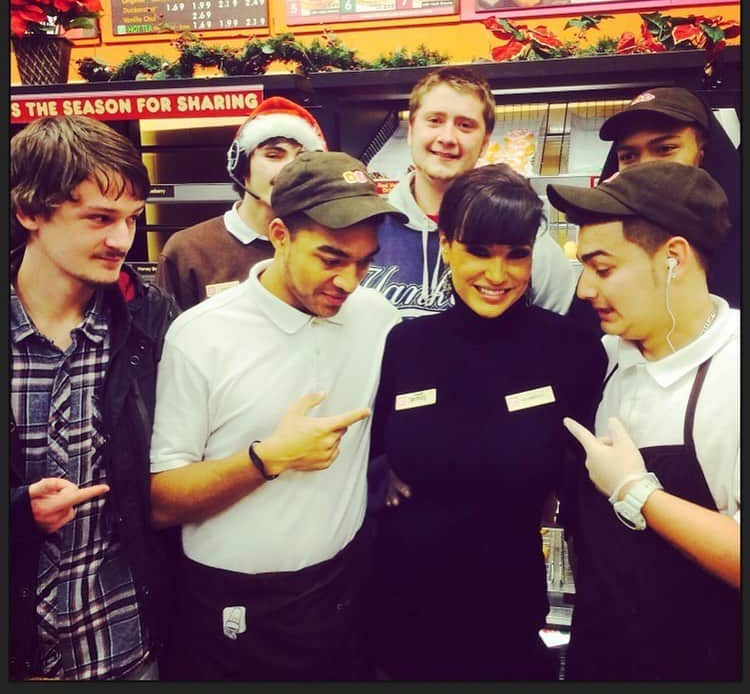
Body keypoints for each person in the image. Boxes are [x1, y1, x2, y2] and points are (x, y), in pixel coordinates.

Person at [148, 151, 407, 680]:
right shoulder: (202, 335)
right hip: (235, 601)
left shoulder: (378, 319)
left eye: (365, 263)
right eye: (331, 258)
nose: (350, 282)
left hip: (343, 586)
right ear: (280, 235)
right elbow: (162, 502)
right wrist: (267, 459)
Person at [366, 164, 606, 680]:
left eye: (515, 255)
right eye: (479, 252)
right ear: (447, 243)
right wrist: (379, 474)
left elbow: (584, 485)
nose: (497, 277)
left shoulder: (573, 351)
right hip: (399, 606)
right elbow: (374, 446)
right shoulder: (405, 345)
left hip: (508, 611)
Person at [546, 161, 740, 680]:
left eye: (603, 268)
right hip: (604, 651)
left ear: (673, 258)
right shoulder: (608, 355)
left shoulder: (734, 371)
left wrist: (637, 493)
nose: (584, 290)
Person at [10, 116, 179, 680]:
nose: (121, 241)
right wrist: (17, 513)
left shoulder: (149, 320)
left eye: (132, 219)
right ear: (29, 211)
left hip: (128, 644)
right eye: (99, 219)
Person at [361, 65, 577, 318]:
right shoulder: (367, 229)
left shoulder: (528, 241)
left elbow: (554, 338)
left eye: (465, 125)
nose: (448, 137)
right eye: (435, 121)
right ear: (411, 130)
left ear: (485, 142)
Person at [155, 96, 328, 310]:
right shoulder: (188, 250)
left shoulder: (328, 244)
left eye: (303, 158)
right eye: (274, 155)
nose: (290, 169)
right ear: (242, 166)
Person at [598, 85, 740, 308]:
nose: (645, 166)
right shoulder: (609, 242)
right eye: (628, 156)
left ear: (703, 152)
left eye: (665, 149)